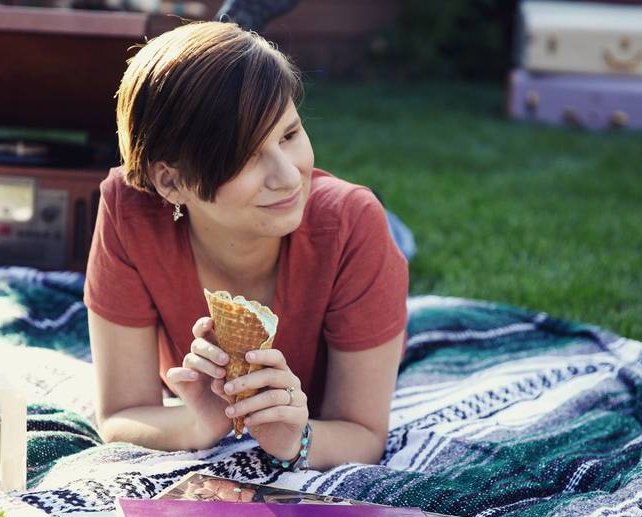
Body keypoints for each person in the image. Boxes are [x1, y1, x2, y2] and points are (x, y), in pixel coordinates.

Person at [84, 21, 408, 470]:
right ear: (170, 181)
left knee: (383, 242)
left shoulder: (353, 225)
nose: (289, 176)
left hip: (354, 244)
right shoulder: (129, 210)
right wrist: (200, 424)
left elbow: (365, 434)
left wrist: (298, 436)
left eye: (289, 135)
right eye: (247, 157)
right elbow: (120, 415)